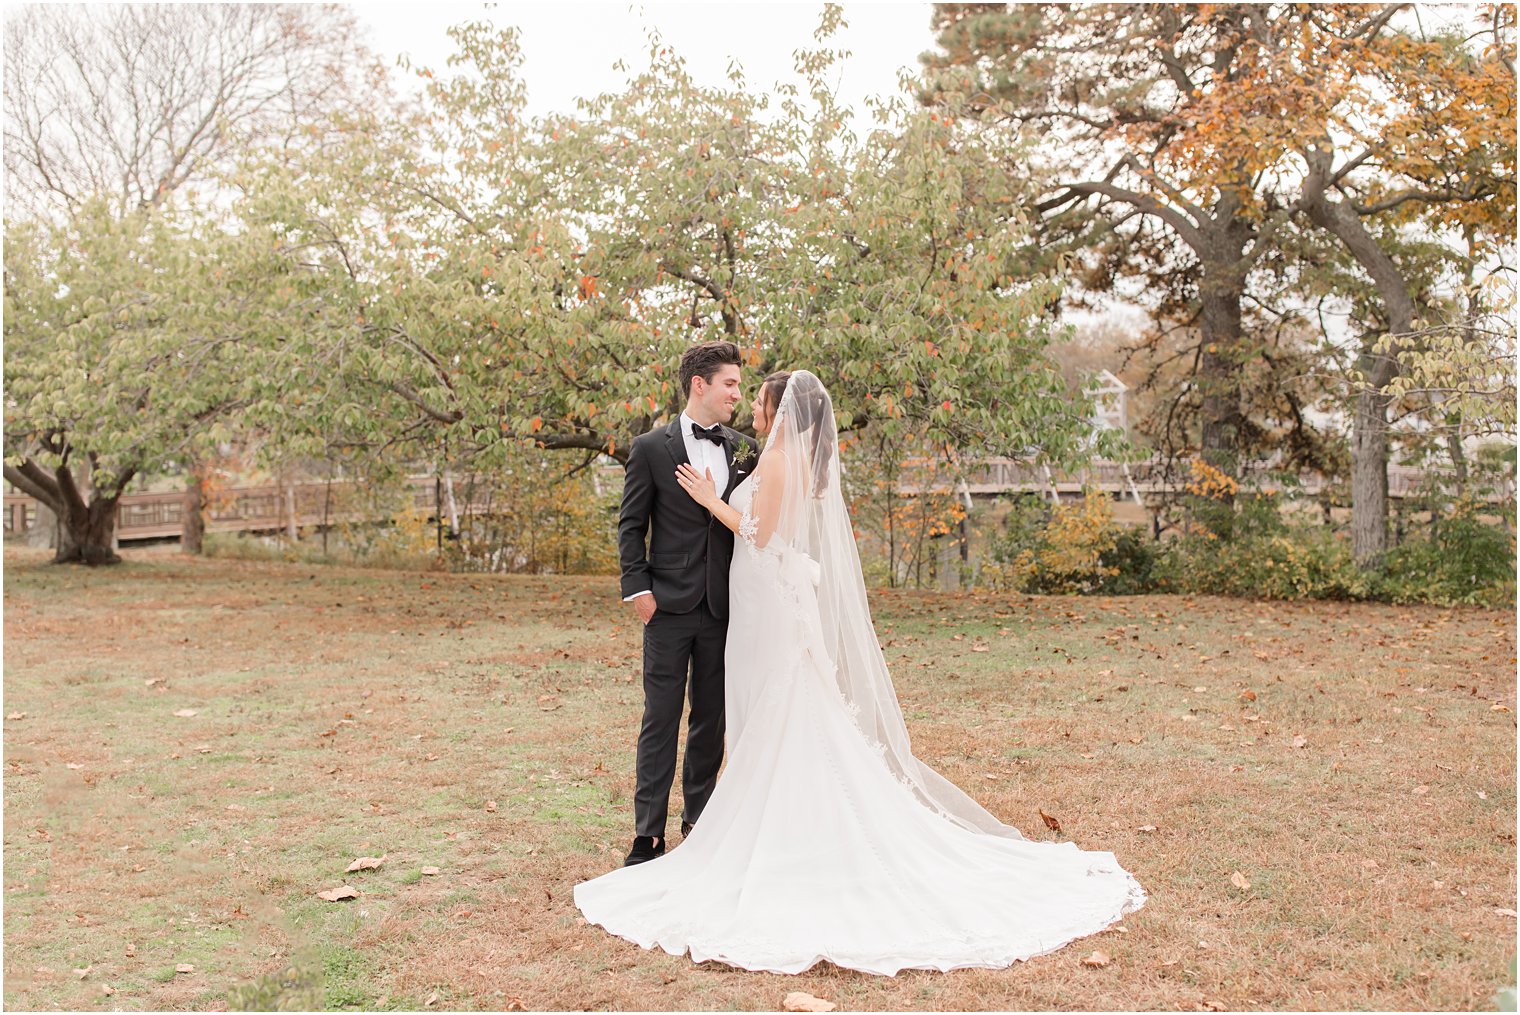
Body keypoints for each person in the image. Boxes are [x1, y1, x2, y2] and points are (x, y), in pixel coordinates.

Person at [577, 369, 1145, 975]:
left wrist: (710, 500)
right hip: (743, 601)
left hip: (762, 601)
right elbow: (650, 523)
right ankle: (682, 829)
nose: (749, 405)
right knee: (737, 710)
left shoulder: (774, 460)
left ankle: (765, 829)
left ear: (781, 410)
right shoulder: (766, 455)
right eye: (736, 389)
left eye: (758, 397)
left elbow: (761, 533)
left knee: (771, 709)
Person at [614, 341, 761, 867]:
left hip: (726, 606)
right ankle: (647, 833)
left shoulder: (745, 449)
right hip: (667, 607)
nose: (737, 395)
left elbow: (753, 524)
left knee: (711, 718)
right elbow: (632, 525)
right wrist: (640, 590)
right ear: (700, 384)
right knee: (661, 717)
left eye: (740, 386)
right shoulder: (651, 448)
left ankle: (699, 821)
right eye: (730, 384)